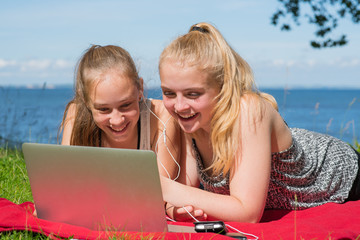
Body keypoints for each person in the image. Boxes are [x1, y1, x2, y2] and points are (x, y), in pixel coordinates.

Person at [158, 22, 360, 222]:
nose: (179, 106)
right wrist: (176, 210)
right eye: (169, 93)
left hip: (347, 178)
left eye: (193, 94)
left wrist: (165, 188)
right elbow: (185, 191)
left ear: (222, 87)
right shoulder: (189, 122)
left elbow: (247, 212)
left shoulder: (248, 110)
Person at [60, 44, 182, 180]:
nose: (117, 120)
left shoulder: (161, 117)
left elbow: (163, 191)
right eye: (103, 109)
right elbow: (67, 179)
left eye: (126, 105)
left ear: (140, 88)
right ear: (85, 101)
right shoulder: (76, 115)